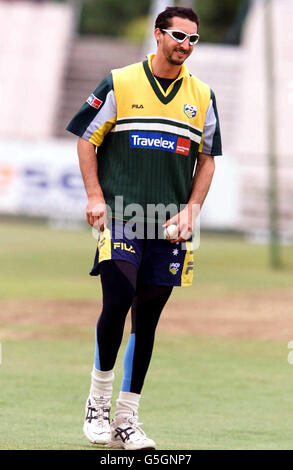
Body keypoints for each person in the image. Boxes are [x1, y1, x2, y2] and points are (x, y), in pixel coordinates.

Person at [66, 6, 222, 450]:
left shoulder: (204, 96)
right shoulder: (120, 81)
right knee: (117, 298)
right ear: (158, 35)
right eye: (177, 35)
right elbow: (86, 139)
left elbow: (207, 160)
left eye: (193, 39)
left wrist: (192, 209)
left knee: (148, 318)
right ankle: (97, 402)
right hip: (120, 212)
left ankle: (127, 420)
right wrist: (95, 196)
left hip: (169, 224)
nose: (184, 45)